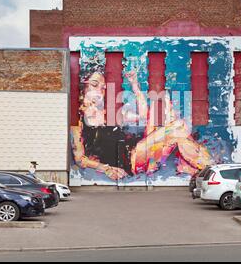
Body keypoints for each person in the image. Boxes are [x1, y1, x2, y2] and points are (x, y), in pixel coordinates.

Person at [71, 54, 214, 181]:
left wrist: (135, 86)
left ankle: (186, 165)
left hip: (139, 151)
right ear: (83, 87)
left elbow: (142, 116)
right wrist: (106, 168)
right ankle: (211, 168)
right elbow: (80, 159)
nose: (100, 91)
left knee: (164, 101)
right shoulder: (78, 122)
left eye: (103, 88)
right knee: (178, 128)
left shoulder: (109, 113)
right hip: (130, 161)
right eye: (95, 85)